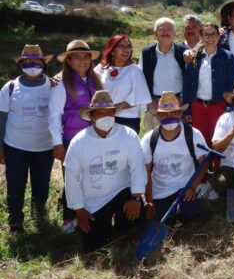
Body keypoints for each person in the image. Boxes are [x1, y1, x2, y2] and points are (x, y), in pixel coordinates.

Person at [64, 90, 147, 253]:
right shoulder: (79, 142)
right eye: (100, 113)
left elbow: (138, 166)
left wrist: (136, 198)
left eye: (109, 112)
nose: (106, 116)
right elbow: (71, 178)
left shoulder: (128, 135)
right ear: (91, 116)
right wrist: (79, 211)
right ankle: (101, 229)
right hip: (93, 201)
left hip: (122, 191)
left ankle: (125, 229)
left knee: (135, 217)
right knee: (94, 248)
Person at [49, 40, 103, 234]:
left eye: (86, 57)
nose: (82, 61)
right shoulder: (61, 81)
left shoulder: (95, 80)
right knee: (72, 178)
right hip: (71, 139)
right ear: (69, 61)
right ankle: (68, 217)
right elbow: (54, 114)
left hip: (93, 137)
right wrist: (57, 144)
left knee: (90, 177)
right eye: (77, 58)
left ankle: (88, 213)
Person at [0, 45, 54, 233]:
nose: (32, 65)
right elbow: (2, 119)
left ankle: (38, 216)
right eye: (28, 62)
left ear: (43, 64)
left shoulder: (53, 86)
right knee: (15, 184)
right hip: (15, 146)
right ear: (21, 64)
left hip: (45, 147)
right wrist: (0, 148)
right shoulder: (10, 88)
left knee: (41, 184)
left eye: (37, 62)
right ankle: (15, 221)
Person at [141, 92, 209, 223]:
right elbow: (146, 172)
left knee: (189, 214)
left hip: (184, 188)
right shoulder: (149, 139)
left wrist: (193, 187)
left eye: (174, 113)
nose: (169, 117)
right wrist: (149, 201)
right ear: (158, 115)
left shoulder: (193, 134)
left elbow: (204, 163)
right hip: (160, 192)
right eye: (164, 114)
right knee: (155, 220)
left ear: (180, 113)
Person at [182, 22, 234, 147]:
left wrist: (229, 108)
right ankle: (204, 167)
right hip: (198, 106)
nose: (209, 38)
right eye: (206, 35)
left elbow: (232, 84)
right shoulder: (194, 57)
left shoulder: (228, 57)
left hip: (219, 106)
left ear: (219, 37)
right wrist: (187, 111)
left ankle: (218, 167)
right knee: (201, 143)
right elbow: (187, 84)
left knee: (218, 141)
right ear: (201, 37)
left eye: (213, 34)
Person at [94, 34, 150, 133]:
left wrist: (113, 109)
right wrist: (59, 76)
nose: (126, 50)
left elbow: (139, 96)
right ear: (112, 51)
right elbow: (84, 78)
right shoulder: (101, 68)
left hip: (127, 119)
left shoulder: (134, 70)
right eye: (121, 46)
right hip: (103, 117)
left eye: (128, 46)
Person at [139, 17, 186, 131]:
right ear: (155, 33)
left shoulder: (183, 52)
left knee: (178, 140)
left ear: (174, 33)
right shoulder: (146, 53)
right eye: (161, 29)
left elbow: (189, 79)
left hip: (178, 104)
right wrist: (149, 100)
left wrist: (183, 100)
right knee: (156, 140)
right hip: (155, 105)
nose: (165, 32)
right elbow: (140, 79)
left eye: (169, 29)